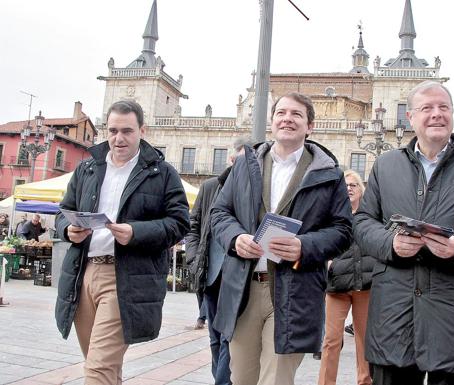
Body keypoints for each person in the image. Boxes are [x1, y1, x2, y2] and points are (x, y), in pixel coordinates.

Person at [354, 80, 454, 385]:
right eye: (427, 108)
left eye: (443, 107)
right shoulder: (386, 165)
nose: (436, 114)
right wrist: (390, 243)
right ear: (410, 118)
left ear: (453, 113)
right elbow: (362, 223)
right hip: (395, 314)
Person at [211, 92, 352, 385]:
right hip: (244, 289)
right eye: (281, 113)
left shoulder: (328, 173)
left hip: (293, 292)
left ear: (309, 126)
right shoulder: (244, 166)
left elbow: (343, 230)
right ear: (272, 121)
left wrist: (305, 245)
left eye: (297, 114)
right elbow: (219, 213)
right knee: (242, 379)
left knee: (276, 380)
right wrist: (236, 237)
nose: (287, 119)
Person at [54, 100, 190, 384]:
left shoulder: (163, 173)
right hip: (83, 273)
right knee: (102, 364)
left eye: (127, 131)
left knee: (98, 369)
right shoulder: (87, 169)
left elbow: (179, 224)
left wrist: (136, 232)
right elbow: (62, 212)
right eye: (113, 130)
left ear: (143, 129)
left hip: (126, 278)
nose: (118, 138)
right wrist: (69, 229)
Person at [185, 136, 252, 385]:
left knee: (228, 337)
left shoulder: (256, 193)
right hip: (210, 273)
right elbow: (194, 225)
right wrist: (194, 259)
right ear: (232, 159)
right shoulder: (210, 186)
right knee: (215, 337)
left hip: (238, 276)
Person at [318, 169, 374, 385]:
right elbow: (320, 243)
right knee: (331, 340)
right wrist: (326, 261)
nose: (349, 188)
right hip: (337, 284)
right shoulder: (331, 217)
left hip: (365, 284)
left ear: (361, 190)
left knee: (364, 339)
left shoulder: (370, 216)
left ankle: (365, 381)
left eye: (354, 185)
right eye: (345, 185)